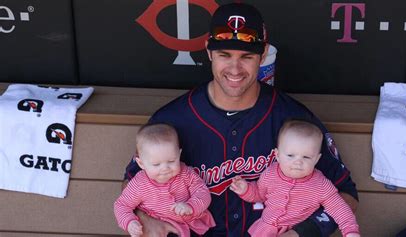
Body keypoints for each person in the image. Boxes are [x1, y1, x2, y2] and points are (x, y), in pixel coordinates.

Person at [123, 2, 359, 237]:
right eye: (224, 55)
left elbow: (346, 194)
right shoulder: (171, 121)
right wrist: (144, 219)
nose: (235, 69)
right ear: (208, 51)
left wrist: (300, 234)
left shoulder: (294, 120)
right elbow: (131, 185)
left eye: (246, 56)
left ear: (263, 53)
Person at [230, 119, 360, 237]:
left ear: (317, 159)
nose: (298, 162)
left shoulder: (320, 184)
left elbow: (339, 208)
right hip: (264, 231)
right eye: (291, 155)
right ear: (277, 155)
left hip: (296, 232)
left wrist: (351, 231)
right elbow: (259, 194)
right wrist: (246, 189)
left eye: (306, 157)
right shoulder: (270, 174)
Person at [115, 124, 215, 237]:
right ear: (141, 163)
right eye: (156, 164)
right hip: (157, 228)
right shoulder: (140, 184)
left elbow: (203, 193)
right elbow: (122, 205)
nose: (165, 168)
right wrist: (129, 222)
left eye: (171, 161)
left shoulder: (186, 174)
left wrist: (191, 206)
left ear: (179, 154)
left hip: (191, 225)